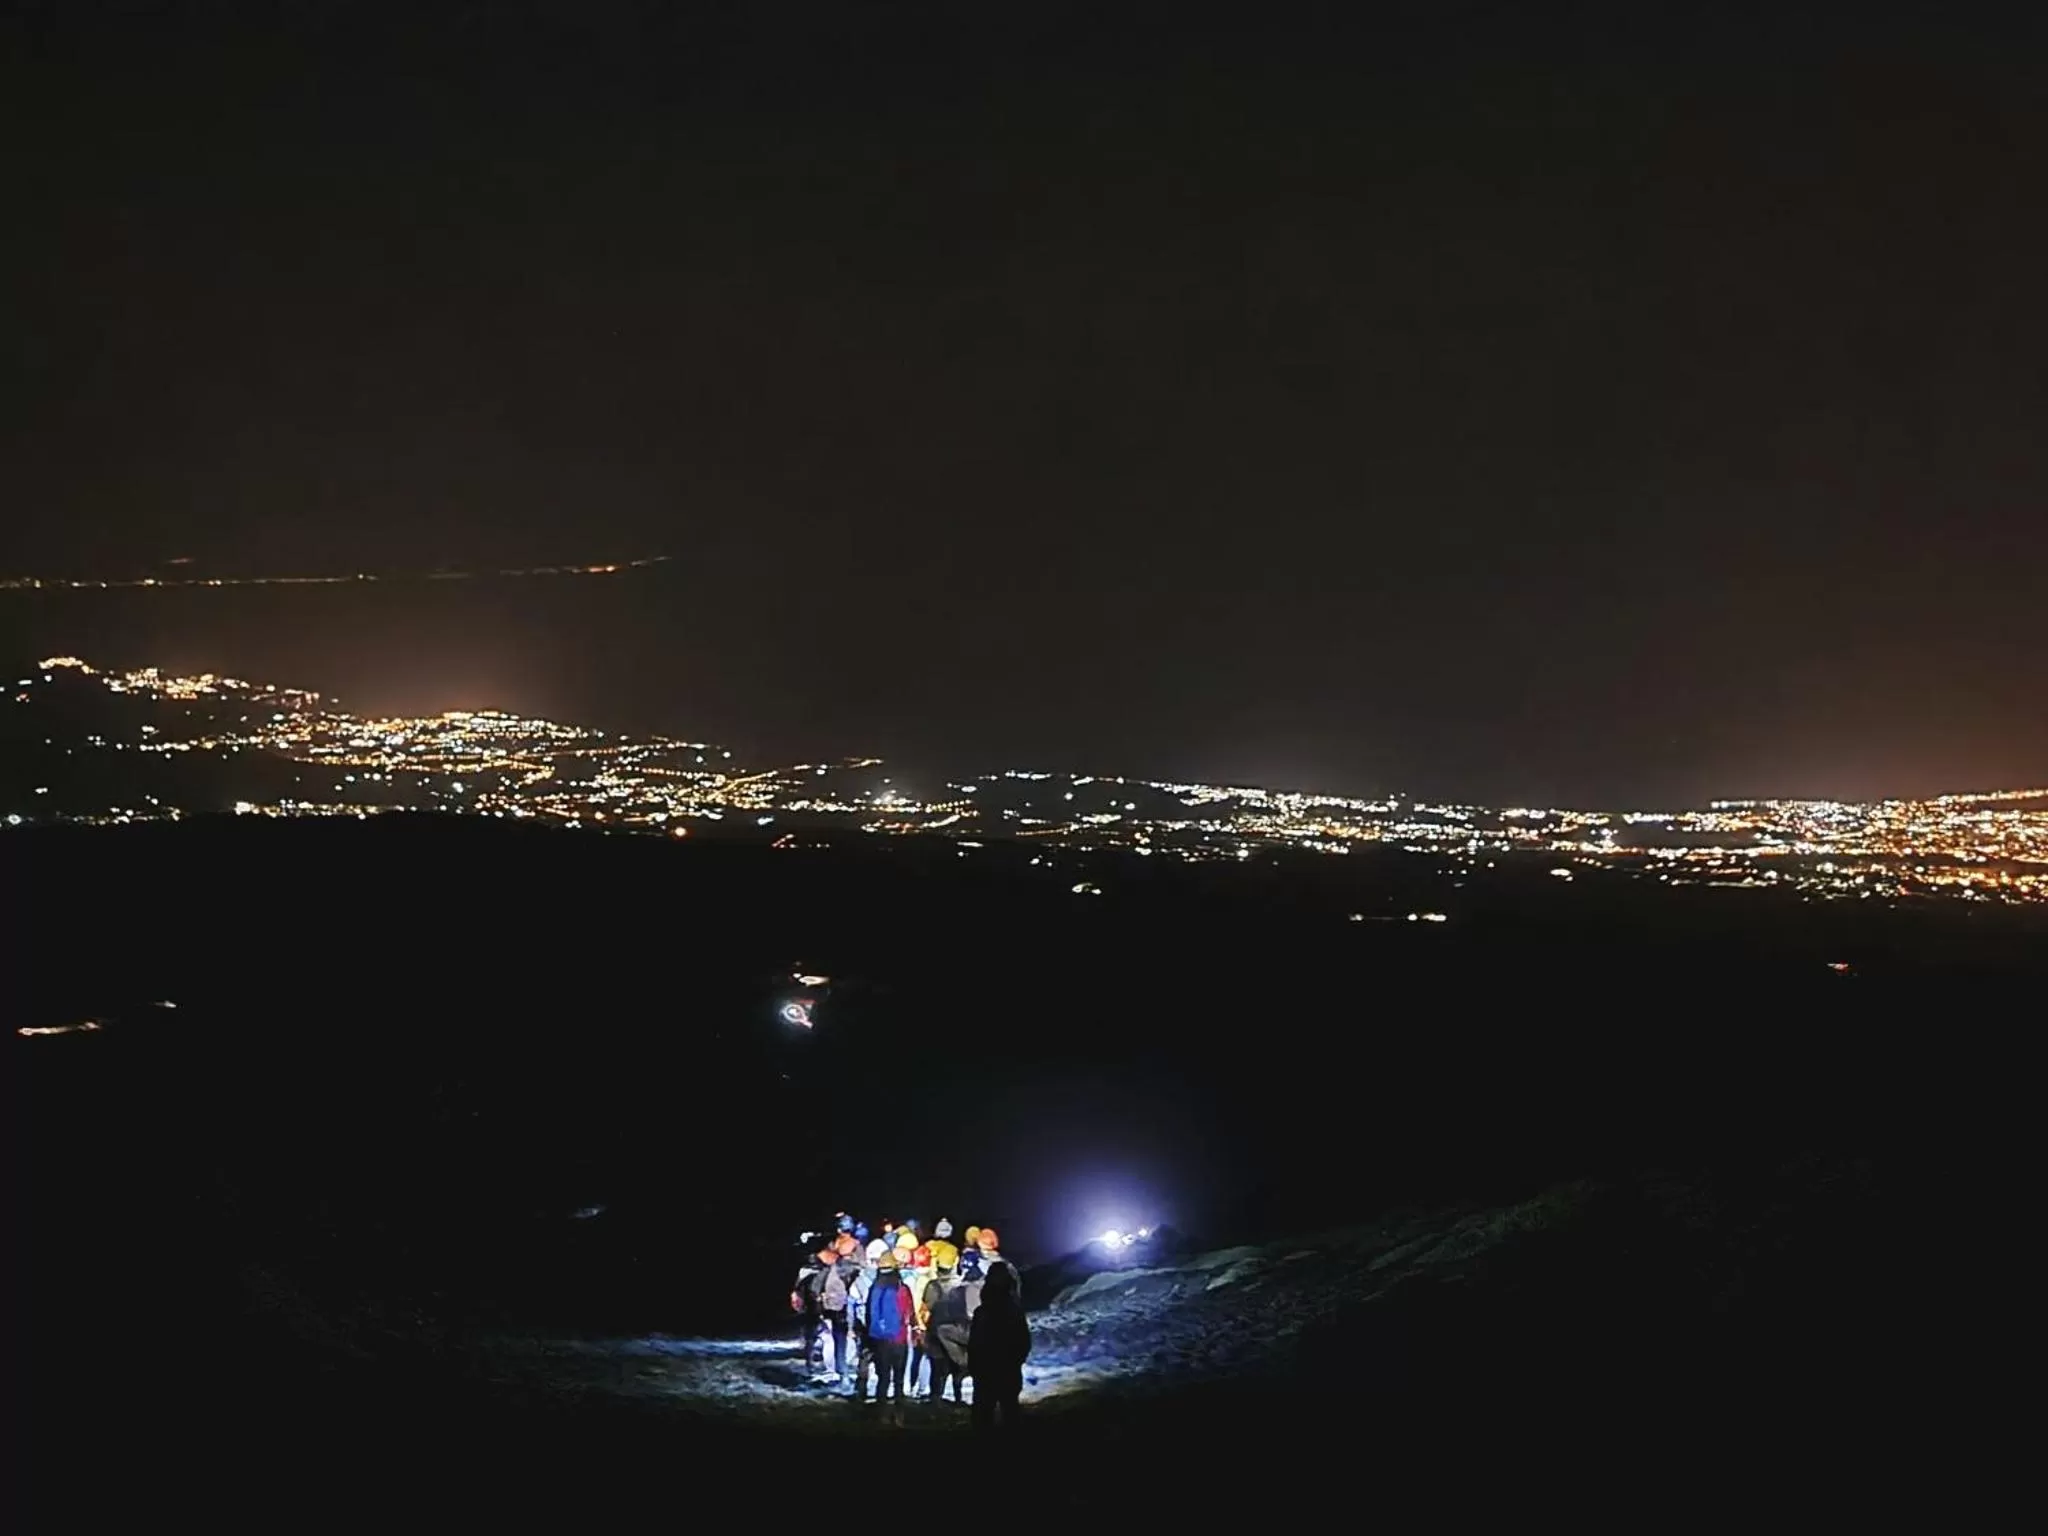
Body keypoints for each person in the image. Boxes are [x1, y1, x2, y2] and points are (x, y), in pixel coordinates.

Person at [967, 1260, 1030, 1431]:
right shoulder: (1014, 1312)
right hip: (1008, 1369)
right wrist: (1016, 1361)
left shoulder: (982, 1313)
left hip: (985, 1372)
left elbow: (974, 1344)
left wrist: (974, 1366)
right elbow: (1024, 1341)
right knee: (1010, 1412)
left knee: (983, 1415)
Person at [860, 1251, 916, 1419]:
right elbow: (909, 1312)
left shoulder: (874, 1288)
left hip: (879, 1340)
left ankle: (881, 1415)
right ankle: (899, 1416)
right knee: (898, 1380)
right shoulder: (901, 1288)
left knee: (883, 1378)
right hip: (898, 1339)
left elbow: (869, 1315)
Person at [921, 1252, 977, 1405]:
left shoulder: (932, 1286)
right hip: (956, 1329)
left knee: (937, 1370)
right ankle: (958, 1399)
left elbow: (927, 1307)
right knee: (956, 1369)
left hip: (936, 1330)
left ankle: (936, 1399)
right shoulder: (961, 1286)